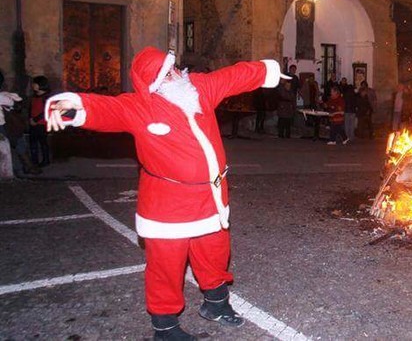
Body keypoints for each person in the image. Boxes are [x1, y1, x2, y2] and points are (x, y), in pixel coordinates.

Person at [44, 46, 289, 340]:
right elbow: (107, 110)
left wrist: (267, 71)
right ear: (153, 83)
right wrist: (72, 106)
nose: (176, 75)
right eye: (166, 74)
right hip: (167, 207)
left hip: (209, 201)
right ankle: (165, 327)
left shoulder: (199, 88)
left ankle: (216, 303)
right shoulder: (140, 107)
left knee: (214, 252)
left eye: (173, 68)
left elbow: (233, 76)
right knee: (166, 266)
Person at [28, 75, 51, 167]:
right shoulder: (34, 96)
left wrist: (36, 120)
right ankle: (34, 162)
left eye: (35, 83)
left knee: (43, 143)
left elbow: (46, 111)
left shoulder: (46, 97)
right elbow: (31, 109)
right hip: (33, 123)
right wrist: (30, 118)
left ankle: (46, 160)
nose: (33, 85)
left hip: (41, 124)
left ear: (41, 85)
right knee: (33, 143)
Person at [340, 77, 357, 142]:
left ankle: (347, 136)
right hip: (353, 111)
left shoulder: (345, 95)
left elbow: (344, 102)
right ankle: (351, 137)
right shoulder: (354, 95)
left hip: (347, 110)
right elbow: (356, 102)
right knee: (352, 125)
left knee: (346, 124)